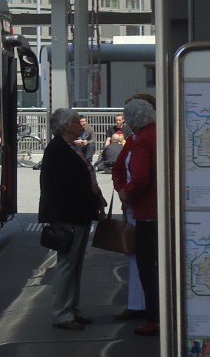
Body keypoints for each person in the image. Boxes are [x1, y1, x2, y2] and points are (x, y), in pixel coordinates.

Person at [38, 107, 106, 331]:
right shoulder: (59, 151)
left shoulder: (67, 148)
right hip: (69, 216)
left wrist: (96, 200)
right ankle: (63, 313)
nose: (81, 125)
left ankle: (71, 309)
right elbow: (69, 187)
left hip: (77, 214)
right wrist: (94, 201)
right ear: (66, 126)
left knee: (74, 264)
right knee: (67, 265)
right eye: (77, 122)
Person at [112, 96, 159, 335]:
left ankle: (153, 317)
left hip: (145, 212)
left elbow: (140, 178)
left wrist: (125, 192)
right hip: (156, 211)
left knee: (146, 266)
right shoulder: (156, 135)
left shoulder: (140, 141)